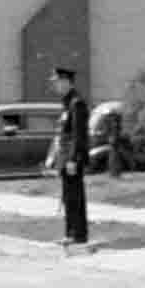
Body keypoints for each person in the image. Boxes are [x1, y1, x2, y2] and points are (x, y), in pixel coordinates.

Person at [44, 65, 91, 250]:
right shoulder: (66, 103)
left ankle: (79, 235)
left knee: (75, 197)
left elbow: (78, 136)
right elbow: (62, 134)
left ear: (66, 82)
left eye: (57, 82)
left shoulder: (76, 103)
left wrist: (73, 159)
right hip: (64, 158)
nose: (55, 86)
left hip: (72, 160)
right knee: (68, 197)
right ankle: (70, 233)